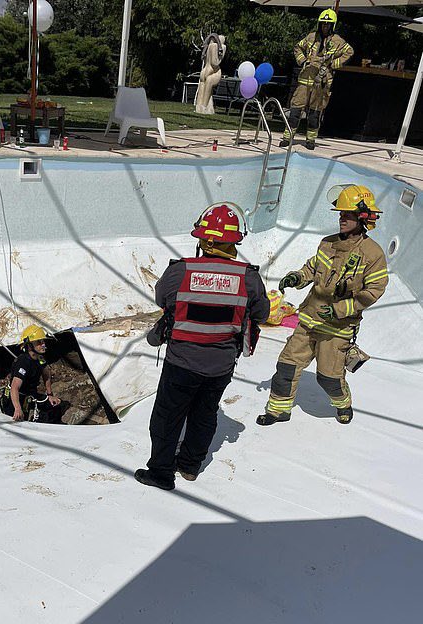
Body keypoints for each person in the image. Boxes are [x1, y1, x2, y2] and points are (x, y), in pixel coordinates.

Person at [135, 203, 270, 491]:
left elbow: (163, 300)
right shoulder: (249, 277)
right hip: (220, 365)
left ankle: (160, 472)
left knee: (167, 417)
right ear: (234, 242)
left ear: (204, 240)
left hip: (181, 363)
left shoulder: (180, 271)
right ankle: (190, 466)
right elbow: (262, 315)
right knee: (205, 413)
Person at [258, 185, 388, 427]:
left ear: (362, 218)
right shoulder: (327, 244)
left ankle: (343, 404)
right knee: (287, 366)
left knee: (329, 378)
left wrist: (339, 310)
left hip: (338, 328)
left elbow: (374, 291)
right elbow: (312, 268)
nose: (341, 219)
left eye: (347, 215)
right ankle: (278, 410)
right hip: (309, 318)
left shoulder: (373, 254)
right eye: (340, 214)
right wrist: (297, 277)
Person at [280, 9, 353, 151]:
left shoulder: (338, 41)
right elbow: (297, 47)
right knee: (295, 111)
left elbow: (349, 52)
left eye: (328, 24)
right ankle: (287, 138)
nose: (325, 27)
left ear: (332, 26)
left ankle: (311, 140)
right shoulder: (311, 37)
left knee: (314, 114)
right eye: (323, 24)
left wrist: (334, 65)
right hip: (305, 80)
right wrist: (302, 61)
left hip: (322, 83)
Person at [0, 325, 68, 424]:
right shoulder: (23, 362)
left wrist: (49, 395)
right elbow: (15, 387)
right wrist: (18, 408)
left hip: (30, 395)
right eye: (39, 342)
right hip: (15, 399)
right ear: (30, 345)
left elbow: (46, 376)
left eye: (43, 341)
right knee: (18, 423)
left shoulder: (40, 359)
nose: (43, 344)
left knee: (55, 405)